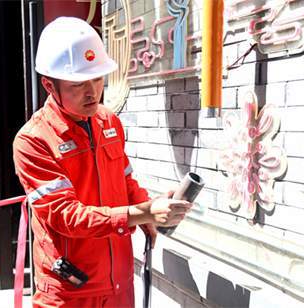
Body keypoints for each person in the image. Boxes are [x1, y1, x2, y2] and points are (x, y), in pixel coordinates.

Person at [13, 17, 193, 307]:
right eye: (78, 83)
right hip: (71, 289)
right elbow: (66, 216)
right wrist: (141, 214)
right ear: (49, 85)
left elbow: (124, 179)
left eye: (97, 78)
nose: (92, 91)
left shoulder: (109, 121)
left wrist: (150, 207)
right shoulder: (33, 141)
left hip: (119, 281)